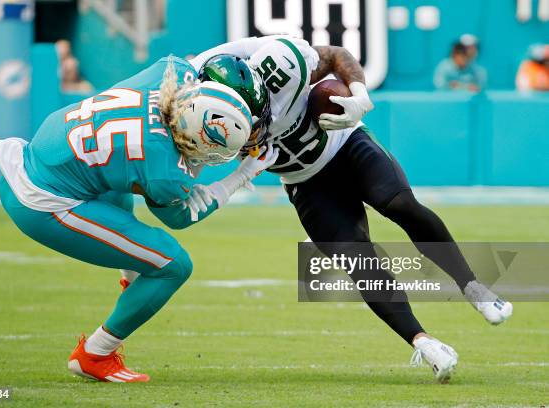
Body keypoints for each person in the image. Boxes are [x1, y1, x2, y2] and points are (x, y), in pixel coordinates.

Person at [169, 35, 513, 382]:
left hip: (345, 144)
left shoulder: (282, 65)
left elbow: (336, 55)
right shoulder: (198, 110)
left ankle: (474, 288)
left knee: (400, 205)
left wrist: (359, 94)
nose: (257, 126)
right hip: (303, 180)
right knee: (357, 258)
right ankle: (423, 342)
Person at [0, 56, 279, 382]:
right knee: (173, 264)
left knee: (118, 177)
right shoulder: (165, 171)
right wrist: (242, 174)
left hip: (41, 157)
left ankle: (132, 283)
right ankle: (95, 354)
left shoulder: (171, 71)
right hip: (44, 203)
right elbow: (183, 216)